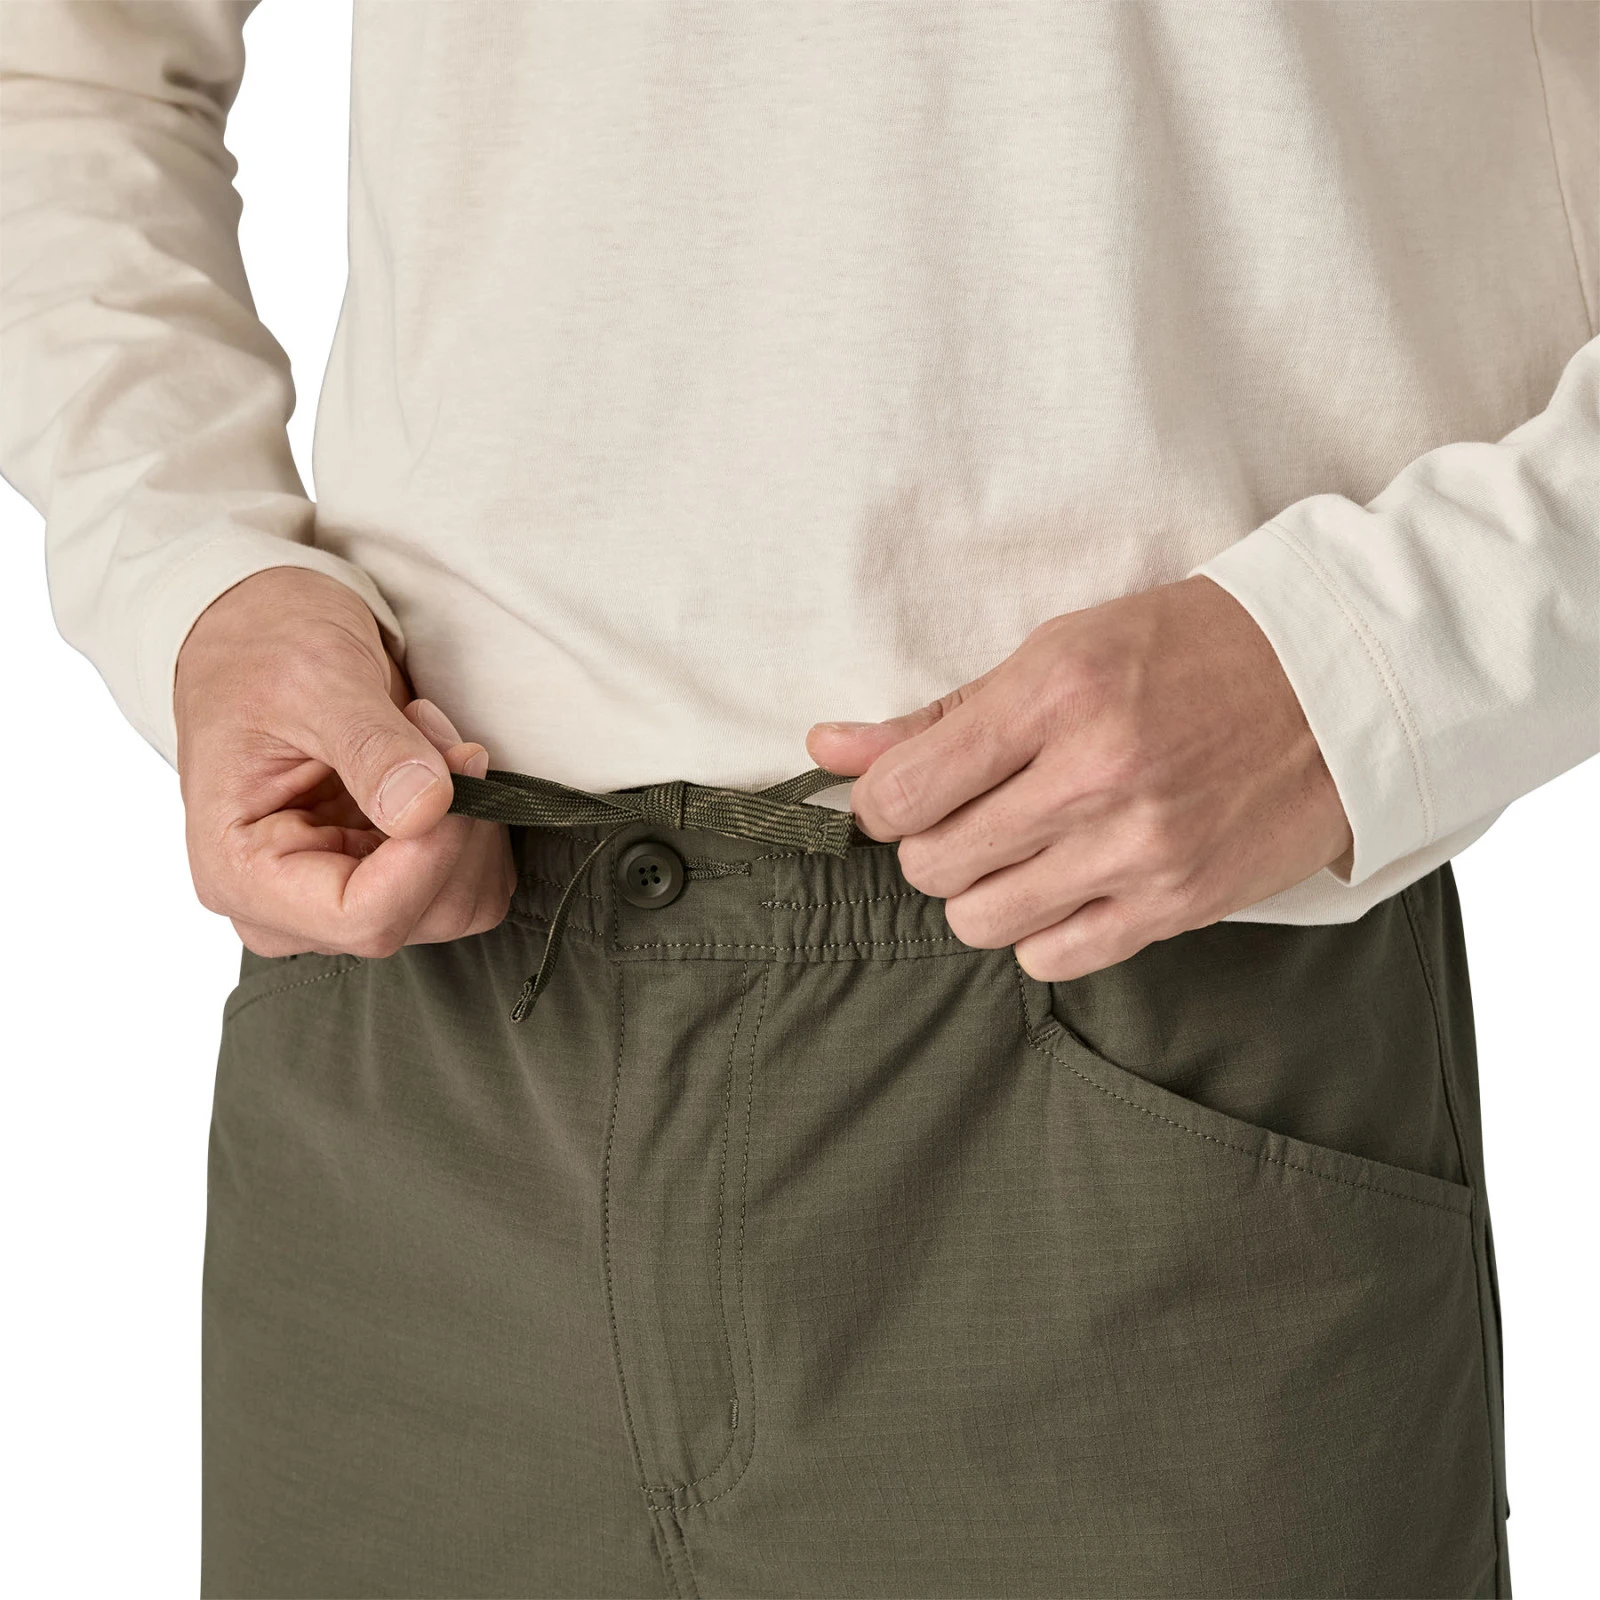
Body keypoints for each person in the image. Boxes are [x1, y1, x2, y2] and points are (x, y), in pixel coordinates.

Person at [3, 2, 1595, 1595]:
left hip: (1160, 1057)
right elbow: (55, 63)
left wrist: (1374, 662)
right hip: (415, 1051)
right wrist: (199, 575)